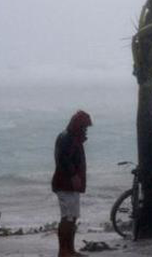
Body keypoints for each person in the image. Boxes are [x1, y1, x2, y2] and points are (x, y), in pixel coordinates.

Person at [52, 110, 92, 257]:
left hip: (71, 184)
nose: (85, 130)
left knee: (72, 217)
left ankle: (70, 249)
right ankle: (64, 251)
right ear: (78, 126)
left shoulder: (71, 138)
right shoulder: (67, 138)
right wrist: (74, 175)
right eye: (84, 127)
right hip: (65, 184)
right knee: (67, 217)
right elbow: (63, 160)